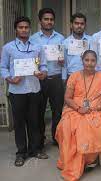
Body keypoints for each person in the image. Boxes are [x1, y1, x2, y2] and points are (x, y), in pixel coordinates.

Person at [1, 16, 48, 167]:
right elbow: (3, 67)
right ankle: (21, 152)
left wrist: (43, 74)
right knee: (20, 123)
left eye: (26, 27)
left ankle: (35, 149)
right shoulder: (8, 47)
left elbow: (44, 66)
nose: (24, 30)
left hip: (34, 89)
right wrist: (9, 79)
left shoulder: (37, 47)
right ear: (16, 29)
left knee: (35, 122)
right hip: (17, 91)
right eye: (21, 27)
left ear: (30, 29)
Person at [55, 50, 101, 181]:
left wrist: (94, 108)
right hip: (75, 109)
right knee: (65, 126)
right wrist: (79, 108)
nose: (90, 63)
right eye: (87, 60)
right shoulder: (74, 76)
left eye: (92, 60)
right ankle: (71, 160)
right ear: (82, 60)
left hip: (97, 111)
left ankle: (87, 159)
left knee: (85, 127)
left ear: (96, 62)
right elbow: (67, 98)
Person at [30, 8, 65, 147]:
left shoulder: (60, 38)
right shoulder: (33, 39)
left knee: (58, 111)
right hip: (39, 79)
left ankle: (56, 137)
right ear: (40, 21)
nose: (49, 22)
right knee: (39, 111)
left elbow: (64, 60)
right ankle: (40, 139)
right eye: (46, 19)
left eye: (51, 19)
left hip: (56, 78)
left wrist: (62, 61)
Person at [63, 13, 90, 79]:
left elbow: (95, 60)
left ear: (85, 25)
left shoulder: (91, 40)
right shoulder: (65, 42)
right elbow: (64, 64)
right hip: (71, 76)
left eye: (82, 24)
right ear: (71, 25)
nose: (79, 26)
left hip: (88, 76)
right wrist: (64, 78)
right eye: (76, 23)